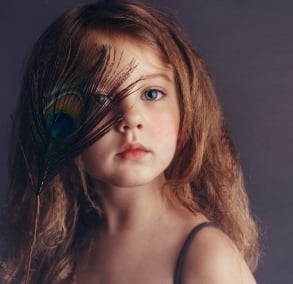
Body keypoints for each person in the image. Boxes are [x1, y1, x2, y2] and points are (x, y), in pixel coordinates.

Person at [0, 0, 260, 283]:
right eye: (99, 98)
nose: (130, 118)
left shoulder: (206, 256)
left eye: (151, 94)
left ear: (186, 111)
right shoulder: (61, 250)